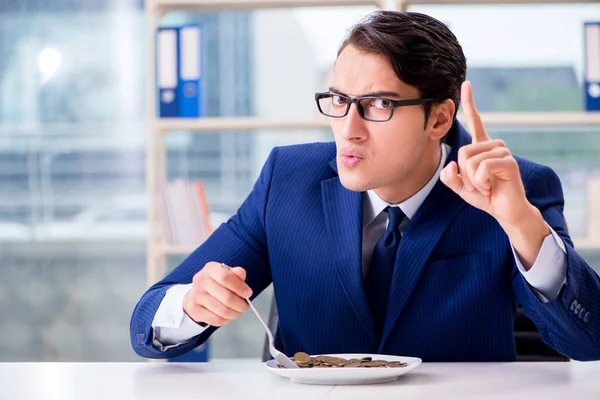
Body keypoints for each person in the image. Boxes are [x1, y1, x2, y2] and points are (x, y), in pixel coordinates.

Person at [130, 10, 600, 361]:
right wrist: (192, 304)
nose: (348, 128)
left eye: (377, 105)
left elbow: (590, 341)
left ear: (438, 117)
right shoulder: (288, 179)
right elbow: (147, 320)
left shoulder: (515, 189)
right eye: (338, 100)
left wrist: (520, 224)